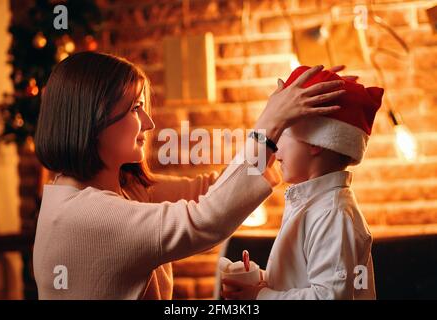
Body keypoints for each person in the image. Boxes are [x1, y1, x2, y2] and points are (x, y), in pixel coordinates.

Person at [33, 52, 345, 299]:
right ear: (93, 119)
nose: (149, 123)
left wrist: (281, 137)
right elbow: (205, 219)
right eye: (135, 108)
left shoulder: (119, 190)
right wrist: (268, 129)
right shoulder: (87, 216)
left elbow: (210, 189)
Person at [221, 65, 384, 300]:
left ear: (316, 142)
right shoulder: (313, 204)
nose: (274, 145)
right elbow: (306, 281)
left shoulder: (332, 213)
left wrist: (261, 297)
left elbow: (329, 296)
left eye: (284, 133)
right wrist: (261, 281)